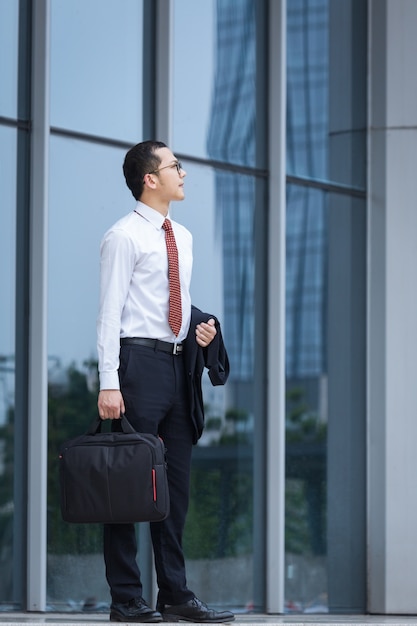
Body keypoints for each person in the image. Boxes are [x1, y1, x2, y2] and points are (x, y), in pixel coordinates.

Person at [97, 140, 234, 623]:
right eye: (175, 166)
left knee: (174, 488)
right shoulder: (123, 236)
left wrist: (200, 329)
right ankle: (126, 598)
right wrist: (108, 382)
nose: (183, 172)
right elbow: (111, 314)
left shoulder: (184, 236)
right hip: (136, 368)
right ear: (150, 179)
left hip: (179, 369)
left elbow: (171, 303)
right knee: (129, 484)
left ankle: (174, 593)